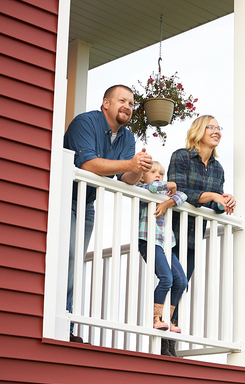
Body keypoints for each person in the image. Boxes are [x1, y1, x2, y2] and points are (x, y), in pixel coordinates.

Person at [63, 84, 152, 342]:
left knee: (74, 261)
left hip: (86, 203)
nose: (127, 106)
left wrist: (139, 167)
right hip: (61, 197)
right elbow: (88, 163)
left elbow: (128, 178)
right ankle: (60, 320)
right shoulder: (85, 123)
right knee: (66, 257)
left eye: (131, 103)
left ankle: (65, 322)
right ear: (106, 103)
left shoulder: (127, 136)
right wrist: (129, 163)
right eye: (121, 100)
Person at [167, 115, 236, 333]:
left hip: (194, 238)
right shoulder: (181, 157)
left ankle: (169, 336)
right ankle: (161, 332)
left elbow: (213, 205)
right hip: (171, 233)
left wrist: (224, 201)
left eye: (219, 128)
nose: (217, 131)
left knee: (180, 287)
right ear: (199, 130)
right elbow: (179, 191)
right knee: (171, 283)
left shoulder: (218, 168)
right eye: (211, 127)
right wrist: (212, 196)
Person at [136, 161, 188, 357]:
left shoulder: (164, 193)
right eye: (152, 172)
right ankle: (156, 318)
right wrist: (170, 186)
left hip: (166, 244)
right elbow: (153, 186)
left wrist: (168, 200)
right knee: (166, 278)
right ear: (142, 176)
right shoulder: (142, 188)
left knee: (181, 281)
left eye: (161, 173)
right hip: (148, 241)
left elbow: (183, 195)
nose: (158, 176)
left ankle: (170, 318)